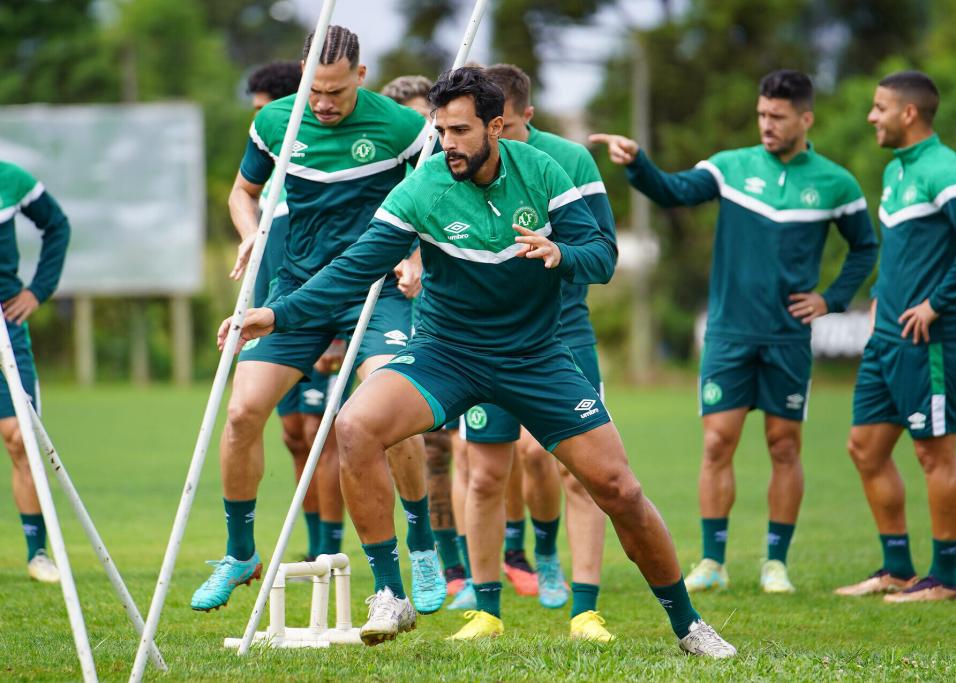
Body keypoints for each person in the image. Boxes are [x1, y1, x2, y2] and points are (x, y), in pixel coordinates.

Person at [229, 66, 736, 657]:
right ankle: (391, 595)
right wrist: (277, 314)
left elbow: (602, 256)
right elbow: (354, 267)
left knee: (619, 488)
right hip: (446, 352)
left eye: (461, 131)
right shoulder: (422, 187)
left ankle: (688, 623)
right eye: (441, 131)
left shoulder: (544, 173)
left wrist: (560, 251)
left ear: (498, 126)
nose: (448, 145)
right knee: (355, 426)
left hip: (535, 356)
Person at [190, 26, 447, 615]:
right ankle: (239, 554)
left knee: (392, 417)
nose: (324, 104)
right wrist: (253, 234)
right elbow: (241, 191)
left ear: (360, 75)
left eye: (335, 91)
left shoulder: (406, 129)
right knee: (241, 412)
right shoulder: (274, 122)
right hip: (298, 292)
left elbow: (434, 202)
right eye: (314, 92)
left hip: (375, 291)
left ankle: (424, 546)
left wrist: (414, 258)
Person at [592, 69, 878, 594]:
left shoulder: (836, 182)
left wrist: (833, 299)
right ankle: (713, 562)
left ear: (805, 119)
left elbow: (866, 246)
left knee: (784, 445)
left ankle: (775, 563)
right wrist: (638, 164)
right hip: (729, 333)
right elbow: (674, 191)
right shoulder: (731, 167)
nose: (767, 124)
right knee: (717, 444)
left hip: (788, 336)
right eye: (762, 115)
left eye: (778, 116)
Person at [450, 63, 618, 643]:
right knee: (485, 472)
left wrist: (559, 250)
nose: (500, 146)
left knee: (575, 471)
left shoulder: (567, 161)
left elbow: (603, 252)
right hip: (481, 340)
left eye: (509, 131)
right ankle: (486, 609)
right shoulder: (456, 162)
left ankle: (584, 607)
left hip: (560, 333)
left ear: (520, 117)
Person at [835, 71, 956, 602]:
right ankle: (898, 568)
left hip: (925, 339)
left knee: (936, 455)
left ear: (908, 114)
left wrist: (936, 302)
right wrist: (882, 294)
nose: (871, 116)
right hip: (885, 338)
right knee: (865, 447)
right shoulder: (895, 172)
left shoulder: (943, 168)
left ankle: (948, 576)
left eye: (879, 107)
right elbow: (902, 251)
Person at [244, 60, 347, 563]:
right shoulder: (266, 184)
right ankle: (311, 546)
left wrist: (333, 335)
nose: (258, 122)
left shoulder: (313, 180)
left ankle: (329, 550)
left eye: (264, 111)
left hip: (316, 320)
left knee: (319, 432)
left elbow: (326, 258)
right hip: (274, 316)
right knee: (292, 435)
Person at [381, 74, 469, 595]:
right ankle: (448, 563)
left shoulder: (455, 172)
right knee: (429, 450)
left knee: (479, 453)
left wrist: (418, 259)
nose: (428, 133)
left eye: (430, 121)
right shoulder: (393, 178)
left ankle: (515, 553)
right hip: (412, 333)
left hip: (464, 331)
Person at [0, 160, 71, 583]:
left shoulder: (11, 179)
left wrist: (38, 289)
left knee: (19, 436)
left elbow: (57, 226)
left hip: (7, 321)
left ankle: (36, 552)